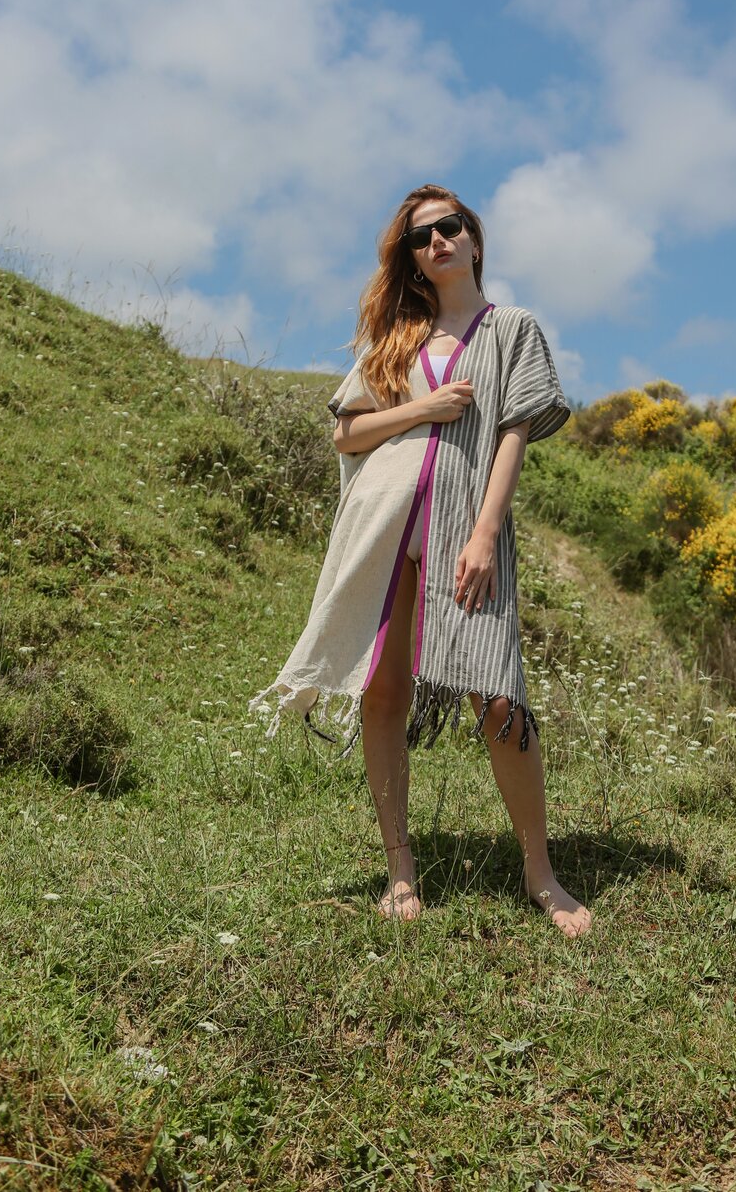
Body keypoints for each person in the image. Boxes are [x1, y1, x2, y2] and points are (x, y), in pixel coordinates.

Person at [251, 184, 592, 938]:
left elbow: (514, 431)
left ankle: (540, 872)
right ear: (409, 258)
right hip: (382, 530)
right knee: (382, 694)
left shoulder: (513, 330)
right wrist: (424, 410)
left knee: (497, 700)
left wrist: (485, 531)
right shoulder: (397, 339)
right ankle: (400, 869)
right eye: (419, 236)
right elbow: (347, 433)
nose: (437, 241)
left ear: (474, 238)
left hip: (465, 533)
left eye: (449, 226)